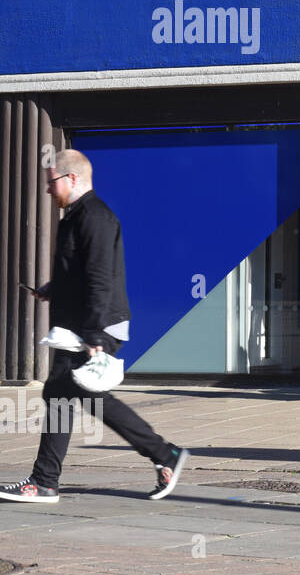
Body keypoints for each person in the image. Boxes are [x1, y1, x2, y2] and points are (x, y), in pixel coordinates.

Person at [1, 150, 189, 504]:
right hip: (78, 326)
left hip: (91, 327)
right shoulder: (75, 217)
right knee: (67, 396)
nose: (47, 190)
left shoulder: (96, 217)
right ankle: (163, 456)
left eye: (50, 182)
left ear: (71, 179)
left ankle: (46, 481)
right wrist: (53, 289)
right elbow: (80, 271)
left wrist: (96, 335)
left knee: (71, 395)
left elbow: (101, 277)